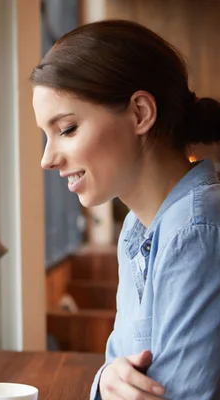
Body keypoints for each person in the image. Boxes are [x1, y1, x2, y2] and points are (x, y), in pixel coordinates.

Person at [30, 19, 220, 399]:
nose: (47, 159)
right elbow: (123, 364)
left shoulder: (195, 228)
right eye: (45, 136)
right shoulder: (136, 228)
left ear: (139, 113)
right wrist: (107, 379)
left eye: (66, 129)